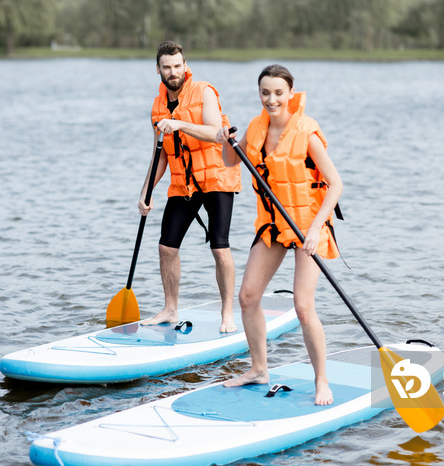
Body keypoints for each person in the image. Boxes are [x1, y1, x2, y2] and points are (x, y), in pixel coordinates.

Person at [216, 64, 343, 405]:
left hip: (307, 227)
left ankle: (322, 381)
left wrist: (316, 229)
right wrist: (224, 140)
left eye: (278, 93)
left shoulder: (307, 132)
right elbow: (230, 160)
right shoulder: (256, 128)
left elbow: (336, 185)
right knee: (247, 297)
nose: (271, 99)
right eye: (265, 92)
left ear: (290, 93)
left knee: (303, 306)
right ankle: (259, 369)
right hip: (274, 226)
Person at [139, 41, 242, 333]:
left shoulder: (204, 91)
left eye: (177, 66)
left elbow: (214, 134)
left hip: (217, 178)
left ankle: (227, 314)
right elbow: (160, 153)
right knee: (166, 247)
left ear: (185, 65)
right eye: (166, 67)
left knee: (219, 248)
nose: (173, 72)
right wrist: (145, 192)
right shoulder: (158, 107)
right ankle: (170, 309)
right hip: (184, 183)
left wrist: (179, 123)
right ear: (157, 69)